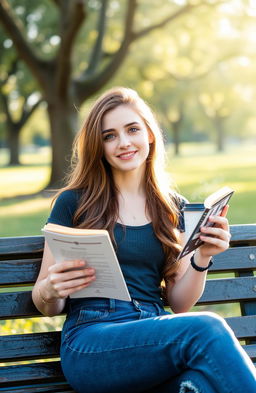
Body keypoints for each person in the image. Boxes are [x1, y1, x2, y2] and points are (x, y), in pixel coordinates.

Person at [32, 87, 256, 393]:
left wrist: (202, 256)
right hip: (93, 341)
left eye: (132, 129)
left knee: (199, 385)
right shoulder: (75, 202)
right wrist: (51, 289)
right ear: (99, 146)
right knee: (208, 327)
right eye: (109, 136)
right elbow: (46, 302)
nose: (124, 143)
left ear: (149, 134)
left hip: (152, 334)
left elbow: (178, 304)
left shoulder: (171, 206)